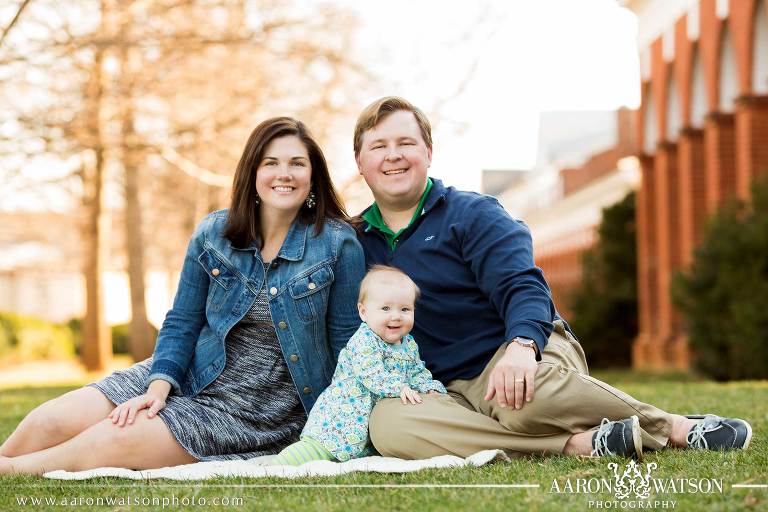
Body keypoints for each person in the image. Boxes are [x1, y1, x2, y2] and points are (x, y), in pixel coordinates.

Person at [353, 96, 752, 461]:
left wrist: (522, 346)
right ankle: (574, 445)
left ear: (428, 152)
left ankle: (675, 427)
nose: (394, 156)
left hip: (512, 352)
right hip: (439, 387)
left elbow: (522, 286)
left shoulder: (473, 214)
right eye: (379, 146)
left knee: (522, 402)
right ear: (360, 162)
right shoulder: (353, 242)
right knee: (389, 426)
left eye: (405, 143)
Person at [0, 117, 365, 475]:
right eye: (271, 162)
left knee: (114, 438)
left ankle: (12, 472)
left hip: (258, 405)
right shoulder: (214, 233)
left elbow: (347, 345)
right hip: (192, 367)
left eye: (297, 164)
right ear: (252, 174)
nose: (284, 173)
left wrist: (334, 427)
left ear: (313, 177)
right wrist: (159, 386)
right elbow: (182, 319)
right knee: (48, 421)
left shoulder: (337, 244)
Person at [273, 265, 446, 466]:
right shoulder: (364, 340)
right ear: (364, 312)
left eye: (405, 309)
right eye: (386, 308)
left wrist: (429, 388)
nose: (396, 316)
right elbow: (370, 373)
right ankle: (276, 467)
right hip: (343, 413)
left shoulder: (409, 344)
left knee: (355, 452)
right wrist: (400, 387)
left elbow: (417, 371)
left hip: (369, 418)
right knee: (317, 449)